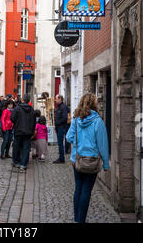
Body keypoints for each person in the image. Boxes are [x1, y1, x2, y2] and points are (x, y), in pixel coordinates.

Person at [66, 93, 109, 224]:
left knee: (78, 188)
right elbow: (103, 145)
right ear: (93, 104)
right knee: (86, 190)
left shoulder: (75, 120)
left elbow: (68, 138)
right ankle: (81, 220)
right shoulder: (98, 122)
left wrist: (79, 142)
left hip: (77, 160)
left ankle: (77, 218)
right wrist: (106, 164)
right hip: (92, 161)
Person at [10, 94, 36, 172]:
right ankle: (23, 164)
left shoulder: (17, 108)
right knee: (26, 148)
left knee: (16, 146)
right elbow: (34, 121)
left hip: (18, 130)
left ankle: (16, 161)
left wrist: (17, 123)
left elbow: (12, 118)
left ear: (23, 100)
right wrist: (32, 130)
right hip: (28, 132)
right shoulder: (31, 109)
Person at [53, 94, 69, 164]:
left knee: (60, 143)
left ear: (60, 99)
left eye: (56, 99)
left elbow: (65, 118)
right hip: (59, 127)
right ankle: (61, 157)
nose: (55, 100)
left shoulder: (63, 107)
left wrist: (57, 123)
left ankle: (61, 158)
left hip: (62, 127)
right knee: (60, 143)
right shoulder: (59, 107)